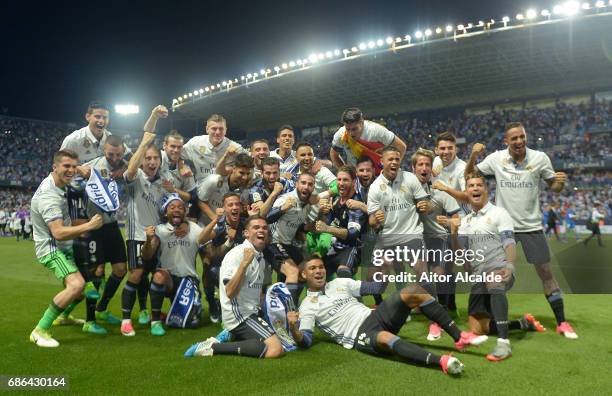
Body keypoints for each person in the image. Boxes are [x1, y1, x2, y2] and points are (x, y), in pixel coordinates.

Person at [465, 122, 578, 339]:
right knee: (490, 272)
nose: (519, 141)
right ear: (506, 141)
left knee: (546, 273)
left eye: (522, 137)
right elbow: (470, 175)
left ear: (526, 137)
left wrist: (560, 183)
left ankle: (562, 322)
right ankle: (488, 319)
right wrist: (473, 156)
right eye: (514, 138)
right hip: (503, 225)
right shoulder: (496, 159)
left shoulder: (540, 158)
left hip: (531, 226)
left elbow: (553, 186)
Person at [288, 256, 492, 375]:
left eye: (321, 267)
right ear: (304, 275)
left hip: (375, 316)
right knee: (387, 338)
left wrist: (384, 269)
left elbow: (377, 287)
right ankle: (442, 362)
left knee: (414, 290)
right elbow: (305, 340)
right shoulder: (307, 306)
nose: (319, 271)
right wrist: (294, 329)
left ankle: (459, 337)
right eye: (313, 268)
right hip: (360, 334)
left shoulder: (340, 283)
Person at [450, 172, 545, 362]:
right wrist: (453, 234)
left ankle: (504, 344)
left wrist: (509, 266)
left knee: (493, 279)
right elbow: (463, 259)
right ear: (467, 192)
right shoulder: (465, 222)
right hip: (479, 276)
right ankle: (522, 323)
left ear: (485, 189)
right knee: (479, 329)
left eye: (479, 185)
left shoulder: (499, 213)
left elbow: (509, 243)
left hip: (498, 269)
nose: (475, 188)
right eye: (471, 186)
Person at [29, 150, 104, 347]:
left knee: (82, 290)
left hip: (64, 247)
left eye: (74, 166)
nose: (71, 170)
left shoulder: (60, 184)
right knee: (76, 285)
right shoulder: (49, 196)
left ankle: (64, 316)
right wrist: (89, 226)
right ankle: (40, 330)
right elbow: (58, 232)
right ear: (55, 167)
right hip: (53, 249)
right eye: (66, 166)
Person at [184, 216, 284, 359]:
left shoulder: (259, 257)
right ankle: (212, 347)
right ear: (246, 233)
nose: (261, 230)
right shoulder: (237, 255)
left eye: (264, 228)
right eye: (256, 227)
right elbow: (230, 292)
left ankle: (232, 334)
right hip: (240, 315)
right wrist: (244, 265)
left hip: (251, 312)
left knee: (283, 337)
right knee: (275, 349)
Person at [120, 131, 167, 336]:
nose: (152, 161)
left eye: (155, 158)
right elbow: (130, 169)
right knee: (137, 274)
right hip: (136, 234)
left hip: (157, 238)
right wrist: (144, 144)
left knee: (156, 275)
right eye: (148, 158)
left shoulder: (163, 183)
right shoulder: (135, 176)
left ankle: (154, 319)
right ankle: (126, 320)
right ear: (141, 161)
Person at [412, 148, 461, 340]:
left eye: (427, 164)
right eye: (420, 164)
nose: (424, 168)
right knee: (421, 274)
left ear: (432, 168)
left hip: (438, 238)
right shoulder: (407, 186)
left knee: (440, 274)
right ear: (413, 168)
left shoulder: (440, 188)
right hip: (416, 238)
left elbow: (456, 218)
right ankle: (426, 305)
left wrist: (448, 222)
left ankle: (438, 320)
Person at [141, 194, 207, 336]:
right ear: (166, 212)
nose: (177, 210)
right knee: (159, 275)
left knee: (192, 323)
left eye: (180, 207)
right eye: (172, 207)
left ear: (185, 212)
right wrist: (148, 239)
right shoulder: (160, 230)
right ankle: (156, 321)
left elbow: (209, 239)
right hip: (169, 279)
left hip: (188, 279)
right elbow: (146, 256)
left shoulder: (194, 228)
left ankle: (170, 315)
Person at [367, 146, 431, 293]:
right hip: (388, 237)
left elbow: (427, 203)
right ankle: (397, 303)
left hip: (411, 233)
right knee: (374, 275)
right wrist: (375, 218)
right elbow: (371, 221)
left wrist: (425, 205)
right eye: (390, 159)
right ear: (382, 161)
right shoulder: (375, 187)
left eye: (397, 159)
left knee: (419, 267)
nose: (395, 162)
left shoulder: (409, 178)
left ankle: (433, 308)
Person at [266, 173, 319, 305]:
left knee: (306, 272)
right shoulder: (286, 199)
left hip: (288, 245)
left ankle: (287, 304)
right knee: (293, 272)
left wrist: (313, 224)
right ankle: (290, 311)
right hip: (273, 243)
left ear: (313, 188)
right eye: (303, 183)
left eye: (310, 184)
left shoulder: (306, 206)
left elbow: (300, 226)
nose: (306, 187)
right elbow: (267, 218)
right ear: (297, 184)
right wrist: (283, 209)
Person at [313, 165, 366, 279]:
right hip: (336, 247)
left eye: (345, 180)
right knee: (314, 273)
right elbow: (325, 222)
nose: (341, 183)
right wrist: (321, 212)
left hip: (353, 248)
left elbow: (352, 234)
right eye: (339, 179)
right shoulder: (337, 199)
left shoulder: (355, 203)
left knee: (343, 274)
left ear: (354, 182)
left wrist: (327, 229)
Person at [330, 107, 406, 171]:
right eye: (348, 129)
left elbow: (401, 146)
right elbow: (333, 154)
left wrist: (392, 169)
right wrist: (346, 172)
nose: (351, 133)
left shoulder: (376, 130)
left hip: (381, 173)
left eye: (354, 129)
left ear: (362, 122)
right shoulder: (341, 134)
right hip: (358, 175)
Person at [181, 114, 247, 184]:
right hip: (202, 186)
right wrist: (182, 166)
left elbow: (251, 162)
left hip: (226, 187)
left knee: (217, 179)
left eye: (221, 129)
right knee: (214, 179)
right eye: (214, 128)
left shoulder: (235, 148)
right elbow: (178, 155)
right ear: (207, 129)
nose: (218, 132)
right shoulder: (195, 142)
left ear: (225, 130)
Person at [60, 101, 131, 164]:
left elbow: (131, 158)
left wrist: (123, 168)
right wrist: (78, 169)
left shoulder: (111, 139)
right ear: (88, 117)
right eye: (97, 117)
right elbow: (59, 164)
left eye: (105, 117)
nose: (101, 121)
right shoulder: (73, 140)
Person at [197, 153, 254, 224]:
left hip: (230, 227)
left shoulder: (248, 187)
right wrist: (218, 222)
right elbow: (201, 202)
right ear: (234, 168)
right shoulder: (214, 180)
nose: (244, 177)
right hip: (207, 224)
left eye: (247, 174)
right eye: (241, 173)